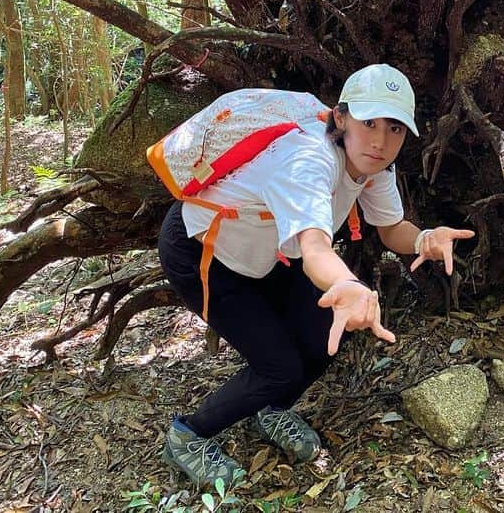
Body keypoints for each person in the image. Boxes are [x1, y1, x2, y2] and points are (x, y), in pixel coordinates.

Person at [157, 63, 474, 488]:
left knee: (324, 337)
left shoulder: (372, 164)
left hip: (266, 250)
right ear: (340, 118)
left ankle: (271, 411)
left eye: (395, 128)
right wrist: (344, 284)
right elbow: (314, 248)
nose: (381, 141)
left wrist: (424, 240)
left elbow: (391, 227)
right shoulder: (308, 160)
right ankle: (188, 435)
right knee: (279, 366)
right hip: (202, 251)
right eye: (369, 123)